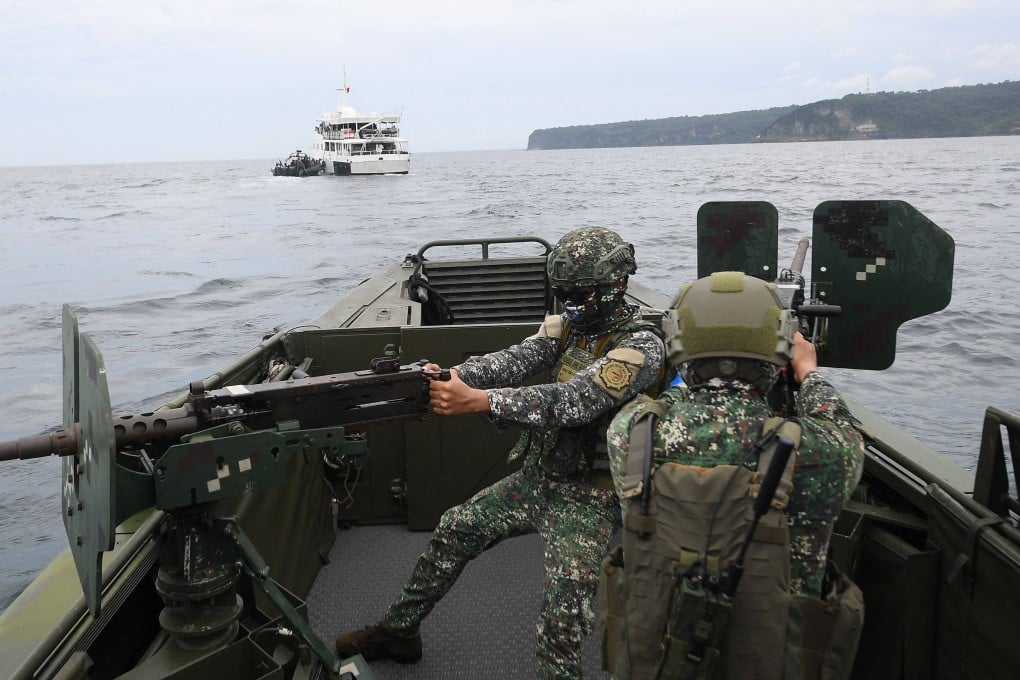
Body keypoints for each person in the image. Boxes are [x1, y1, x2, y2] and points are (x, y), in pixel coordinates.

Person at [336, 227, 668, 679]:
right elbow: (516, 359)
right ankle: (399, 632)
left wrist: (481, 401)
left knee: (561, 624)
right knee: (455, 529)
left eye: (580, 294)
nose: (570, 303)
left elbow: (573, 401)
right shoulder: (571, 327)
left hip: (590, 499)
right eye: (563, 293)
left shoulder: (641, 347)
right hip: (542, 477)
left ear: (615, 286)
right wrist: (454, 374)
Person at [602, 271, 865, 680]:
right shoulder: (824, 452)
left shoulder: (632, 433)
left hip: (658, 662)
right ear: (777, 353)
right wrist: (808, 373)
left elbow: (670, 396)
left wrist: (693, 371)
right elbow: (840, 424)